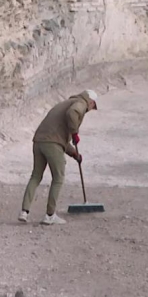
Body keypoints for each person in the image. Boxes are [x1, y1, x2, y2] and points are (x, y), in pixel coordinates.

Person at [19, 89, 98, 225]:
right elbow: (72, 113)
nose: (90, 110)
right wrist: (75, 133)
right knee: (58, 177)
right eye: (92, 107)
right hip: (51, 144)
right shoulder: (80, 103)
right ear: (91, 102)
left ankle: (24, 212)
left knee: (36, 176)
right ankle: (50, 215)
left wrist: (74, 154)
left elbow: (60, 139)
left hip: (38, 141)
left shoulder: (66, 102)